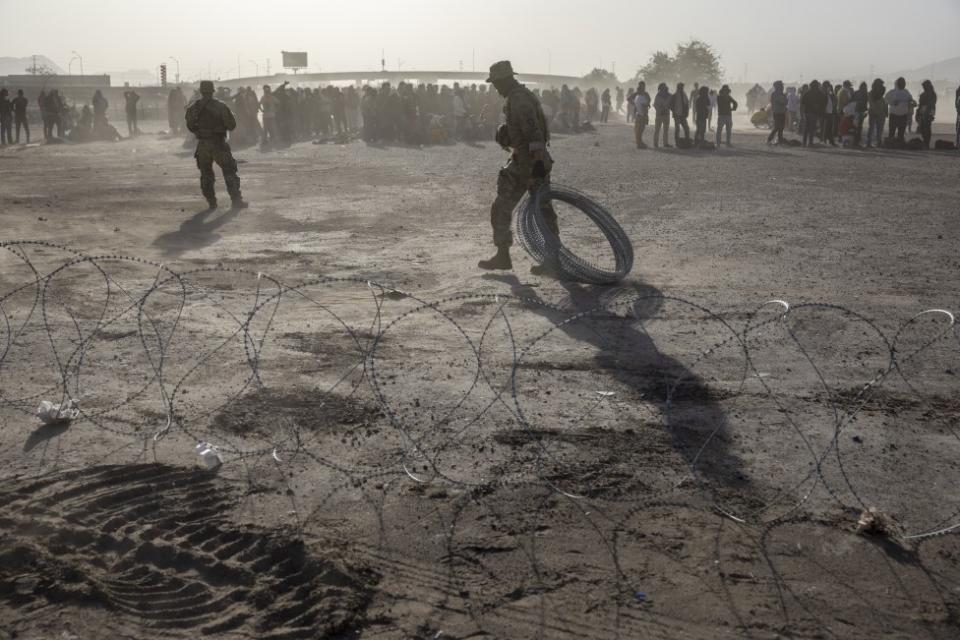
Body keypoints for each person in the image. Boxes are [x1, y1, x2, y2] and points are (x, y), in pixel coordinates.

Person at [477, 61, 557, 275]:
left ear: (504, 80)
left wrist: (538, 162)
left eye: (496, 83)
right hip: (526, 159)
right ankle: (510, 256)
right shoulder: (518, 95)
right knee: (540, 209)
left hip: (529, 161)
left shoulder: (519, 99)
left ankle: (511, 256)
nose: (495, 88)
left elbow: (534, 131)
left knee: (534, 209)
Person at [184, 80, 247, 210]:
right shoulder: (221, 106)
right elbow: (232, 125)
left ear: (201, 91)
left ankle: (211, 202)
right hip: (219, 143)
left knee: (206, 174)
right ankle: (236, 201)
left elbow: (189, 125)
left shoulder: (194, 107)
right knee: (229, 171)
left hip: (203, 145)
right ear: (213, 91)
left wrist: (200, 131)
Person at [885, 77, 913, 142]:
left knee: (901, 133)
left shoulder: (906, 92)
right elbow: (885, 100)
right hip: (894, 115)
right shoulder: (892, 92)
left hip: (903, 115)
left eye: (903, 82)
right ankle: (891, 145)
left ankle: (899, 144)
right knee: (892, 132)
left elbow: (910, 100)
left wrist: (912, 103)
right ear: (897, 83)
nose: (903, 84)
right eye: (901, 83)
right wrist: (892, 103)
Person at [801, 80, 824, 147]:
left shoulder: (807, 93)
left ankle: (804, 143)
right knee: (812, 128)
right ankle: (810, 143)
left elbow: (802, 104)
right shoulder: (819, 93)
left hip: (806, 112)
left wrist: (802, 113)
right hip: (813, 113)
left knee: (806, 128)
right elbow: (822, 103)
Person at [866, 79, 887, 148]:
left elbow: (884, 103)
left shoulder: (880, 93)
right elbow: (872, 104)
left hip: (878, 113)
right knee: (874, 129)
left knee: (878, 129)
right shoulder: (871, 94)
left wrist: (885, 112)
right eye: (880, 84)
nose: (882, 86)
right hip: (875, 113)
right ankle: (870, 143)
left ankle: (877, 142)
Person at [916, 80, 937, 148]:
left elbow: (931, 105)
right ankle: (926, 142)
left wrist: (931, 114)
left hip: (927, 111)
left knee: (926, 127)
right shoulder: (930, 94)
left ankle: (926, 142)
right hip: (925, 111)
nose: (923, 87)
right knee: (923, 127)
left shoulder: (931, 94)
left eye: (924, 86)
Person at [767, 81, 788, 145]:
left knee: (781, 127)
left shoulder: (780, 93)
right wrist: (784, 98)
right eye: (781, 85)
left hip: (781, 111)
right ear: (778, 86)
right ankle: (770, 138)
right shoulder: (776, 94)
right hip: (777, 112)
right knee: (777, 126)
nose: (782, 86)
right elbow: (783, 101)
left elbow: (785, 101)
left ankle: (780, 139)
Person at [652, 83, 672, 149]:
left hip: (666, 114)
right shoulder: (658, 95)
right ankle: (655, 144)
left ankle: (665, 143)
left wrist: (666, 108)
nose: (665, 88)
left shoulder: (669, 95)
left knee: (665, 130)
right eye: (663, 87)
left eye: (665, 87)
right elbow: (655, 105)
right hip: (659, 114)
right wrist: (660, 110)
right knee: (657, 129)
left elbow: (672, 104)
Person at [671, 82, 690, 146]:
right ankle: (677, 142)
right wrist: (675, 112)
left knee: (686, 128)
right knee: (677, 129)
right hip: (677, 115)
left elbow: (687, 104)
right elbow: (671, 105)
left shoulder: (684, 95)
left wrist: (687, 112)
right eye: (681, 87)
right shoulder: (675, 95)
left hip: (683, 115)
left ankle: (687, 141)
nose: (682, 88)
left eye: (682, 87)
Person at [632, 82, 650, 149]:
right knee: (640, 130)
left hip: (638, 115)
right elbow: (644, 106)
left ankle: (639, 143)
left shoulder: (637, 97)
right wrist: (645, 116)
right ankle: (639, 144)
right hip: (642, 115)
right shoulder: (642, 97)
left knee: (638, 131)